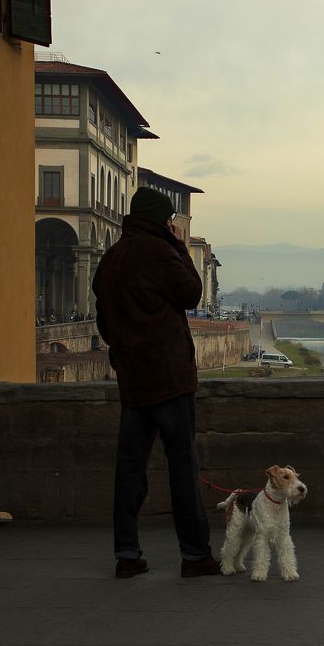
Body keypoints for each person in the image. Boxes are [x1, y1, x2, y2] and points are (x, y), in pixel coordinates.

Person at [92, 187, 220, 579]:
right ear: (160, 220)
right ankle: (195, 555)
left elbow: (104, 322)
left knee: (129, 468)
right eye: (168, 220)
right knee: (182, 465)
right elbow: (192, 293)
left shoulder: (112, 258)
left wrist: (128, 349)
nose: (170, 226)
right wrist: (178, 246)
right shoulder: (161, 252)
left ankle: (126, 554)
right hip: (170, 377)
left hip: (133, 379)